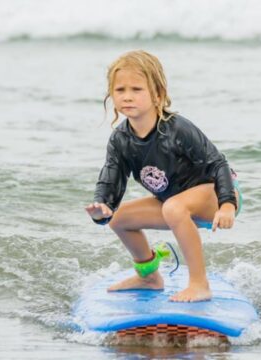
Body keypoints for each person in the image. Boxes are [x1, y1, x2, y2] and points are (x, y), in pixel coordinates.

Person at [85, 50, 242, 302]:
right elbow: (111, 178)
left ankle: (200, 284)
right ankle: (148, 276)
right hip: (174, 203)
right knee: (119, 218)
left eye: (137, 89)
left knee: (173, 207)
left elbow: (217, 163)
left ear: (157, 94)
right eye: (120, 90)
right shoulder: (120, 140)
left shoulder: (177, 129)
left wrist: (226, 205)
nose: (127, 96)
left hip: (215, 194)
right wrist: (102, 208)